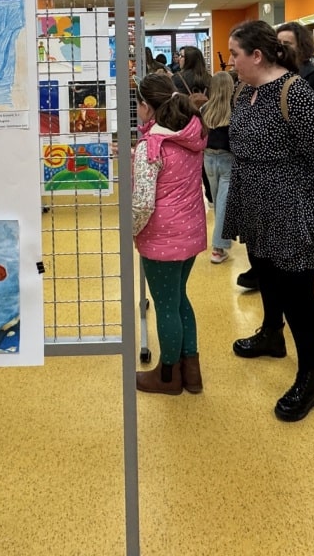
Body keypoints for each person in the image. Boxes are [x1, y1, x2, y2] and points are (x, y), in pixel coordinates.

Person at [222, 20, 314, 422]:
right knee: (265, 273)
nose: (230, 61)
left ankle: (309, 374)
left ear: (257, 55)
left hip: (293, 205)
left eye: (235, 54)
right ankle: (271, 334)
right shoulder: (244, 91)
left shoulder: (294, 92)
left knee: (297, 292)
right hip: (255, 202)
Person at [131, 72, 208, 396]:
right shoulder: (191, 135)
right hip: (190, 232)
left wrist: (129, 230)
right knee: (179, 299)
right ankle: (191, 372)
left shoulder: (151, 147)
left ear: (147, 107)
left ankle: (167, 376)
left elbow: (142, 204)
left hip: (161, 238)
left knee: (165, 305)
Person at [201, 72, 236, 264]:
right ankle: (218, 248)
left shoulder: (205, 109)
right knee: (223, 204)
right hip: (227, 159)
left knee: (218, 201)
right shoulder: (234, 109)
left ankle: (220, 242)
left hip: (208, 158)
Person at [275, 21, 314, 106]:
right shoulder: (273, 70)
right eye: (279, 43)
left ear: (300, 46)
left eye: (287, 44)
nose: (281, 47)